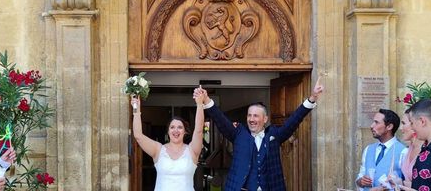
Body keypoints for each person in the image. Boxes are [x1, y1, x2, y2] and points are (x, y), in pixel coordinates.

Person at [193, 76, 324, 191]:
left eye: (256, 116)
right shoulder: (238, 133)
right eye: (249, 115)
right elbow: (221, 120)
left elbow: (294, 121)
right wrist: (206, 99)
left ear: (265, 119)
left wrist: (312, 98)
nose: (251, 119)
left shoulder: (274, 135)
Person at [130, 92, 205, 191]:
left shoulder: (192, 150)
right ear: (168, 131)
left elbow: (199, 130)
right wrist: (136, 108)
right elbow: (138, 136)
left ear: (185, 132)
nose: (176, 130)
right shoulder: (158, 150)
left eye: (180, 127)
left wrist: (200, 104)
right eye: (172, 127)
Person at [356, 109, 406, 190]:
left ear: (389, 126)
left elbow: (407, 184)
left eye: (376, 122)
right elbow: (359, 178)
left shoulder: (403, 152)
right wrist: (361, 181)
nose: (372, 126)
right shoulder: (368, 149)